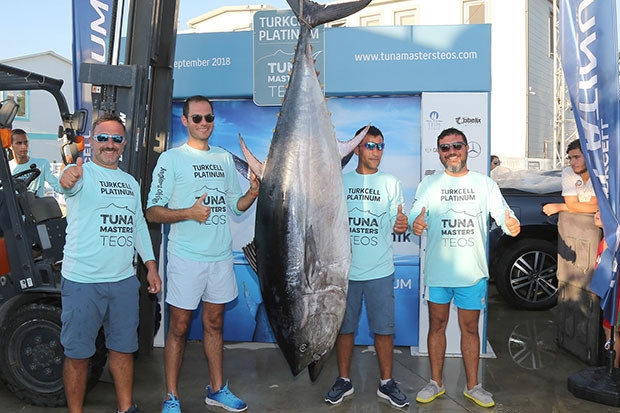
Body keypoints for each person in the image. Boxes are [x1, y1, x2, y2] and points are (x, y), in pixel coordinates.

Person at [146, 95, 259, 413]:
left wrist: (252, 192)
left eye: (208, 118)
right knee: (179, 327)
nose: (204, 123)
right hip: (186, 258)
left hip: (220, 257)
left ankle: (217, 389)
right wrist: (189, 213)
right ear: (184, 121)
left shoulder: (224, 158)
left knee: (214, 324)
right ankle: (171, 396)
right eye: (197, 118)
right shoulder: (171, 159)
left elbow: (237, 206)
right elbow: (153, 211)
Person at [408, 127, 520, 408]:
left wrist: (512, 225)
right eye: (445, 148)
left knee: (470, 329)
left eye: (456, 145)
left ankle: (474, 386)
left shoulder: (485, 184)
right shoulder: (429, 184)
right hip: (438, 273)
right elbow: (415, 214)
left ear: (467, 148)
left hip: (472, 273)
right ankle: (435, 383)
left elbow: (504, 216)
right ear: (439, 153)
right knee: (437, 325)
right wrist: (416, 223)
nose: (452, 152)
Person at [58, 113, 162, 413]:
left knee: (123, 351)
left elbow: (138, 225)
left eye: (116, 139)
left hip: (123, 283)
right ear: (92, 141)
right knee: (78, 356)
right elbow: (69, 185)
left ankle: (126, 408)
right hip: (82, 282)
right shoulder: (81, 174)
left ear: (124, 144)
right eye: (103, 137)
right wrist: (68, 177)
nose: (109, 144)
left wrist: (151, 265)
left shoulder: (130, 183)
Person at [324, 125, 410, 408]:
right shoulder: (341, 181)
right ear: (357, 149)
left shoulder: (391, 183)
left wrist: (401, 224)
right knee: (344, 329)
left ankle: (387, 383)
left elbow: (399, 222)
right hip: (345, 272)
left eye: (380, 146)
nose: (376, 151)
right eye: (370, 145)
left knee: (384, 330)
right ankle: (344, 380)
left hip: (380, 271)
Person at [543, 139, 598, 216]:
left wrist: (561, 207)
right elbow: (572, 204)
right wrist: (572, 206)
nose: (572, 162)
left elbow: (594, 208)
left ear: (588, 156)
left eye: (576, 157)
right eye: (570, 158)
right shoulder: (568, 172)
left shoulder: (599, 173)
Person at [594, 210, 620, 367]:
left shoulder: (613, 242)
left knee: (611, 330)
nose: (597, 212)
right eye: (597, 209)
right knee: (609, 329)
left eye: (602, 210)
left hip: (617, 297)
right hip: (611, 295)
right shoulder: (606, 240)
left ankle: (613, 371)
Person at [9, 128, 61, 197]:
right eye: (19, 143)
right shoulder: (6, 168)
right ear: (10, 145)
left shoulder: (42, 164)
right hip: (14, 207)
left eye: (26, 142)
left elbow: (58, 186)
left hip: (36, 206)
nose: (24, 146)